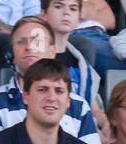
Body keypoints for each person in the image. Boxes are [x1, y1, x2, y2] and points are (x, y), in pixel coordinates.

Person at [0, 15, 102, 144]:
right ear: (12, 55)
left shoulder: (78, 105)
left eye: (37, 40)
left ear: (53, 51)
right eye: (21, 42)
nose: (29, 47)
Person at [42, 0, 106, 134]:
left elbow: (93, 109)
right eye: (59, 6)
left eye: (73, 9)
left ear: (78, 19)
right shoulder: (36, 59)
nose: (66, 13)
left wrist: (106, 125)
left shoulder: (81, 63)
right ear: (44, 15)